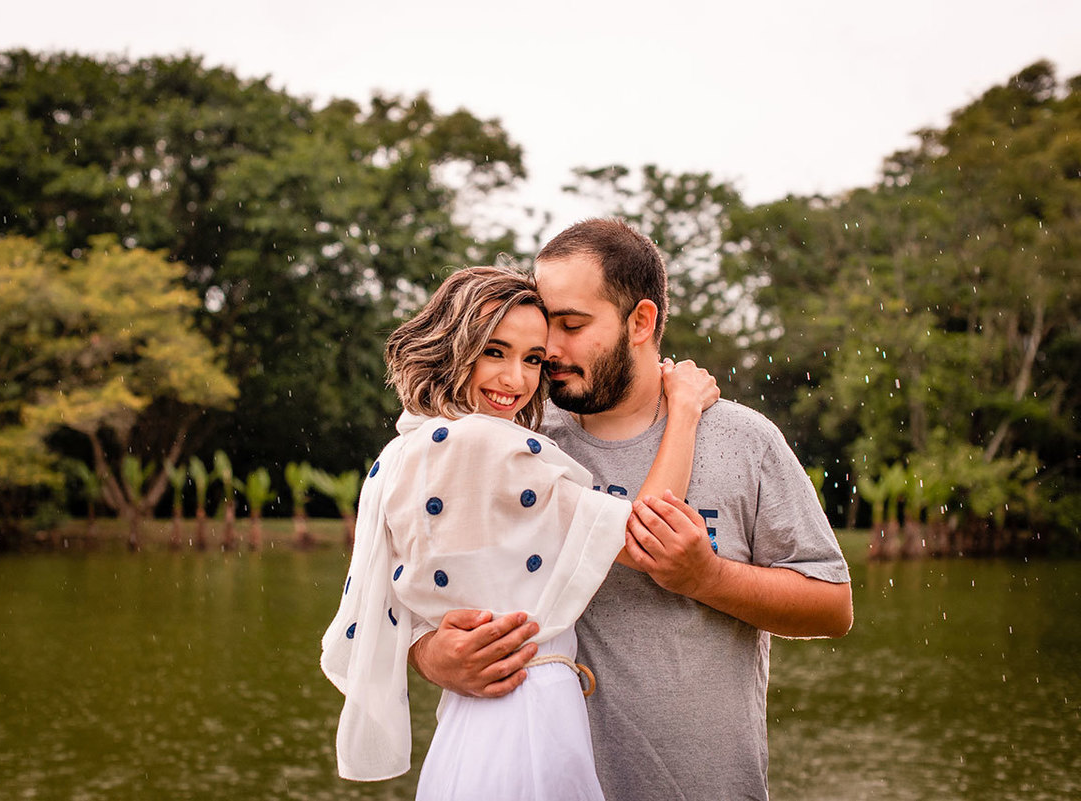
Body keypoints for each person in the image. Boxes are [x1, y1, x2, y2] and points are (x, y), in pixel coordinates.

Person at [409, 220, 854, 801]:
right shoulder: (514, 440)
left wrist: (708, 577)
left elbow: (832, 607)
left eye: (572, 324)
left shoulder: (745, 441)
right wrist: (434, 657)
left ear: (640, 321)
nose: (551, 350)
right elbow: (414, 591)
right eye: (547, 325)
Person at [320, 265, 718, 800]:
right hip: (526, 704)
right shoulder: (481, 445)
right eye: (494, 351)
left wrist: (430, 651)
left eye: (533, 359)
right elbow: (644, 537)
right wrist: (685, 411)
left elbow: (407, 599)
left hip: (473, 714)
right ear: (450, 346)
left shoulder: (410, 448)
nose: (516, 380)